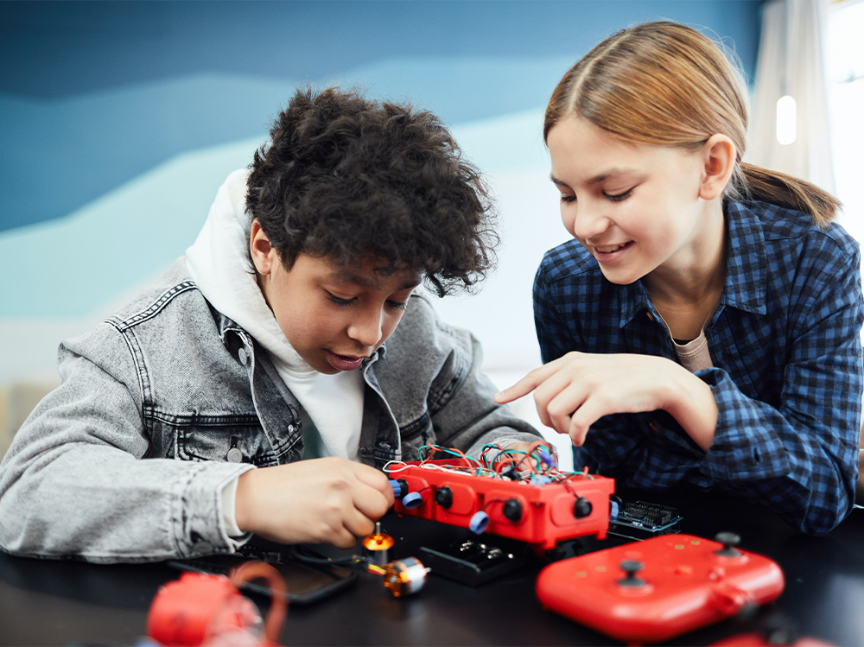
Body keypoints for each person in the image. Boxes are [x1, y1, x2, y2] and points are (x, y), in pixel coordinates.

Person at [0, 87, 543, 562]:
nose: (371, 332)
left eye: (398, 299)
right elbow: (28, 492)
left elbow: (491, 433)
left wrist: (516, 464)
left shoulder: (420, 336)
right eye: (342, 295)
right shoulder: (141, 348)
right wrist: (243, 497)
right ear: (265, 246)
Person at [496, 21, 863, 535]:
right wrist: (755, 446)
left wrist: (679, 390)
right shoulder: (566, 285)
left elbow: (825, 491)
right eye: (568, 194)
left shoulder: (816, 260)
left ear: (712, 167)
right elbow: (615, 481)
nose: (584, 225)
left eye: (616, 191)